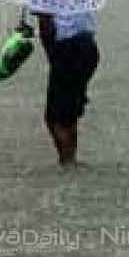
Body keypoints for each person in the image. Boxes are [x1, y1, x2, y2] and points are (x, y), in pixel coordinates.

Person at [33, 10, 100, 167]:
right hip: (88, 47)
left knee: (53, 116)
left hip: (65, 49)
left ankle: (67, 160)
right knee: (70, 110)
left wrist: (52, 56)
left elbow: (46, 27)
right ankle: (71, 156)